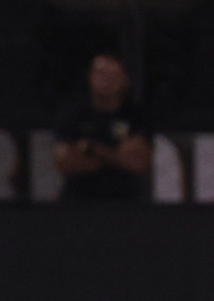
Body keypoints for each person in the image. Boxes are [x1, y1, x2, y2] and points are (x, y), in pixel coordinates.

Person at [53, 53, 152, 201]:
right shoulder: (73, 115)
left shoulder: (136, 116)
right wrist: (116, 156)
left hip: (126, 201)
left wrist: (93, 149)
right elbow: (66, 163)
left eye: (113, 74)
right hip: (78, 201)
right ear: (90, 77)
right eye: (101, 73)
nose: (106, 80)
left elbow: (137, 163)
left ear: (125, 80)